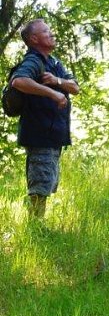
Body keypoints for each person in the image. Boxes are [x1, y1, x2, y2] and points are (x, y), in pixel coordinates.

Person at [9, 18, 80, 217]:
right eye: (46, 31)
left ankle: (37, 226)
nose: (51, 34)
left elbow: (75, 87)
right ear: (34, 39)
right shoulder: (33, 61)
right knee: (39, 188)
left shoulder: (53, 62)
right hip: (40, 135)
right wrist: (53, 93)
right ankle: (35, 227)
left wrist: (57, 81)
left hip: (53, 136)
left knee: (46, 184)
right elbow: (18, 81)